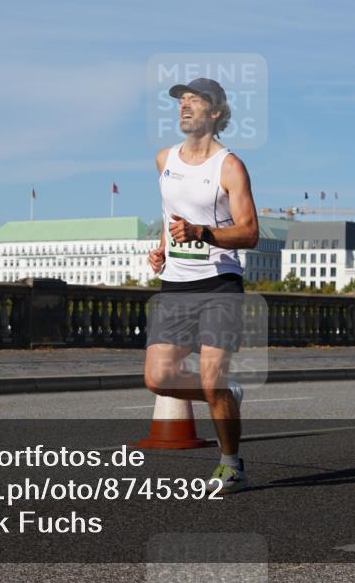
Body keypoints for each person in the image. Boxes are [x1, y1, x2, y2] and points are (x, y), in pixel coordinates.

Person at [144, 77, 259, 494]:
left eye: (195, 100)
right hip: (175, 285)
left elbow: (249, 233)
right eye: (181, 100)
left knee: (210, 381)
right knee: (159, 379)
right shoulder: (164, 159)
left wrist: (203, 233)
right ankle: (226, 391)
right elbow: (169, 215)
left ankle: (232, 465)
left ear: (216, 113)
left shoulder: (229, 166)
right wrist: (161, 249)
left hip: (219, 284)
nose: (184, 106)